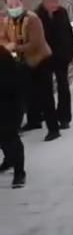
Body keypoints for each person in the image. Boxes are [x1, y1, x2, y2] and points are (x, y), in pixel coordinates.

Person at [0, 0, 60, 142]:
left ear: (22, 3)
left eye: (16, 4)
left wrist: (14, 48)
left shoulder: (32, 19)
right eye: (11, 5)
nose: (14, 7)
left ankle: (53, 128)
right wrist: (7, 45)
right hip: (23, 62)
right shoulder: (7, 21)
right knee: (27, 93)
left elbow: (36, 43)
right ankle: (34, 121)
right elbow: (3, 38)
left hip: (41, 60)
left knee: (45, 94)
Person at [35, 0, 73, 130]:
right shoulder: (37, 16)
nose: (55, 4)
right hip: (45, 58)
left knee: (63, 87)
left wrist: (72, 52)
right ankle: (50, 118)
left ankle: (64, 117)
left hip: (61, 57)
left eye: (57, 1)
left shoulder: (62, 12)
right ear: (45, 1)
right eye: (52, 2)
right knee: (46, 91)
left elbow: (69, 32)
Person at [0, 46, 26, 188]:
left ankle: (19, 172)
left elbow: (11, 84)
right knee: (3, 138)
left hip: (10, 104)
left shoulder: (4, 58)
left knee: (10, 136)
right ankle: (9, 160)